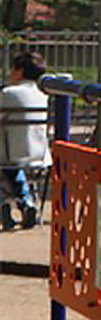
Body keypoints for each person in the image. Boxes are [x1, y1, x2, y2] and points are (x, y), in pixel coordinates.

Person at [0, 51, 48, 231]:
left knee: (7, 162)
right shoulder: (43, 94)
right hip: (40, 154)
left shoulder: (8, 93)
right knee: (11, 166)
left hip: (10, 155)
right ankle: (25, 202)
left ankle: (4, 204)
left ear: (19, 71)